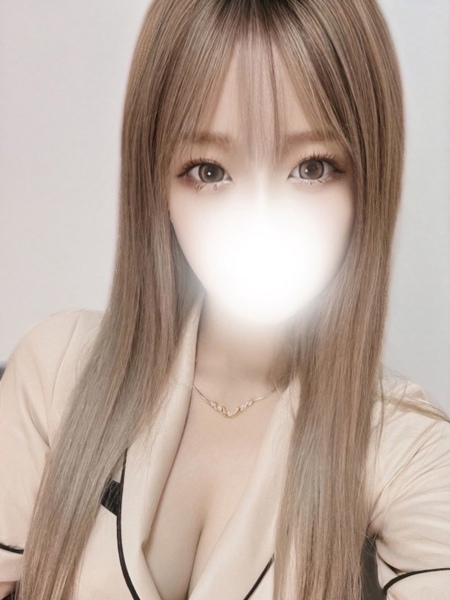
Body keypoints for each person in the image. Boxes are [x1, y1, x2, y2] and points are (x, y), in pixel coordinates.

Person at [1, 0, 449, 599]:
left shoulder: (407, 446)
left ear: (368, 177)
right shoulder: (57, 370)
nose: (259, 221)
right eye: (209, 171)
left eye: (312, 167)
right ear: (155, 184)